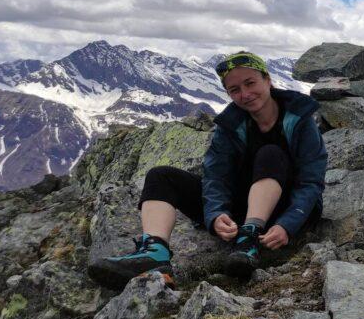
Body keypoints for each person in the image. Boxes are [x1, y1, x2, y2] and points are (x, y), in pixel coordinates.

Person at [89, 51, 327, 289]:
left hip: (285, 211)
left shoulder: (299, 119)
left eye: (250, 83)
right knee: (160, 176)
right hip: (240, 209)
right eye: (234, 90)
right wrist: (215, 215)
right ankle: (155, 253)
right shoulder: (230, 124)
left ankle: (249, 238)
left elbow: (310, 182)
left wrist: (288, 224)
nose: (244, 94)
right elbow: (215, 177)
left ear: (268, 80)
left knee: (270, 153)